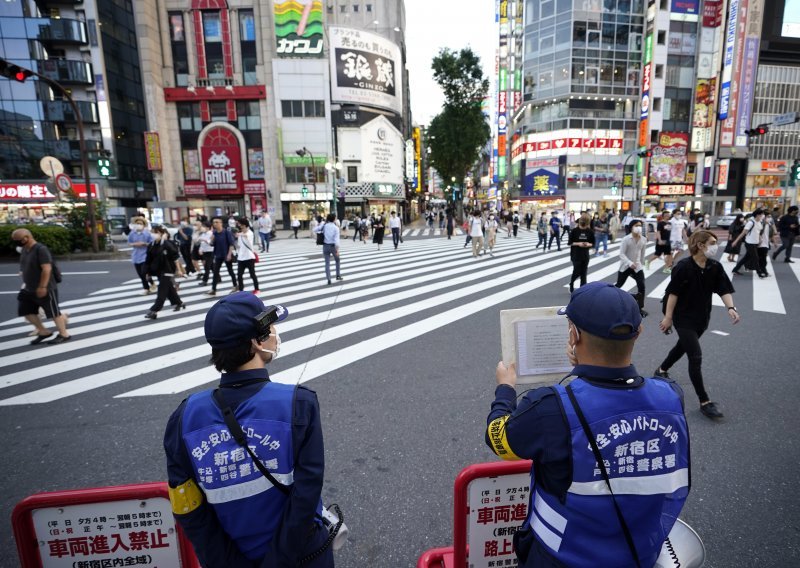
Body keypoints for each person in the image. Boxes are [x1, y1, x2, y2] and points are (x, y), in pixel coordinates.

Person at [486, 282, 690, 567]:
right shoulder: (671, 396)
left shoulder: (551, 407)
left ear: (573, 334)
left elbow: (500, 441)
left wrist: (505, 390)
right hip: (639, 553)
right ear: (639, 332)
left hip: (561, 557)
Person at [164, 293, 334, 568]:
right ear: (257, 342)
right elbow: (307, 492)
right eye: (270, 330)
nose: (276, 334)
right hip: (302, 557)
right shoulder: (297, 404)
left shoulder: (183, 417)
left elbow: (187, 504)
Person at [656, 230, 740, 420]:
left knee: (682, 346)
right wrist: (668, 317)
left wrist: (731, 308)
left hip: (702, 318)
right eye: (712, 242)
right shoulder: (683, 267)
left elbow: (723, 288)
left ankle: (661, 369)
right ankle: (705, 402)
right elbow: (673, 293)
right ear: (700, 245)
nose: (715, 246)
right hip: (682, 317)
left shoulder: (715, 267)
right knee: (695, 356)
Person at [12, 228, 72, 345]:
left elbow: (47, 268)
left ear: (26, 238)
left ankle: (64, 334)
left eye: (17, 240)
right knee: (25, 310)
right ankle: (43, 331)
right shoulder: (25, 249)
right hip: (28, 287)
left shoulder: (40, 249)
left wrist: (43, 287)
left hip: (45, 287)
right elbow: (24, 264)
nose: (16, 242)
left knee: (54, 312)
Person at [144, 225, 185, 319]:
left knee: (162, 290)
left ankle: (154, 310)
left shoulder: (167, 244)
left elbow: (175, 258)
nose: (153, 234)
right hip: (157, 270)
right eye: (152, 232)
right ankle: (179, 303)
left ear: (161, 233)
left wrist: (179, 270)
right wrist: (147, 272)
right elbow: (148, 260)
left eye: (155, 232)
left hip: (168, 270)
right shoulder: (152, 245)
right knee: (169, 288)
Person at [615, 219, 649, 317]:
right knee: (618, 285)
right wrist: (629, 263)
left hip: (637, 266)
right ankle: (611, 300)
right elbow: (621, 254)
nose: (639, 227)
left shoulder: (643, 239)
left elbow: (642, 253)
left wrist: (641, 264)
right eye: (636, 225)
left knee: (641, 285)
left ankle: (640, 308)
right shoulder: (626, 239)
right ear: (631, 227)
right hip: (625, 266)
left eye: (640, 225)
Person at [206, 217, 237, 297]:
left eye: (217, 222)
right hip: (218, 255)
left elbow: (231, 244)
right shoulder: (215, 233)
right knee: (215, 272)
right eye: (214, 222)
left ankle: (235, 285)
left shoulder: (226, 232)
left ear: (221, 223)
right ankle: (213, 289)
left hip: (226, 255)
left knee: (230, 271)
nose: (215, 224)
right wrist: (211, 239)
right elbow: (212, 244)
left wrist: (229, 254)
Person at [127, 217, 157, 295]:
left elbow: (152, 244)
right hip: (136, 256)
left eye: (140, 224)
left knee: (144, 272)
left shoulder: (147, 233)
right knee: (140, 274)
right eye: (137, 224)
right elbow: (129, 242)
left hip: (145, 255)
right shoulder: (132, 233)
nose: (138, 225)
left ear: (144, 225)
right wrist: (134, 244)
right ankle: (151, 284)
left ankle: (146, 288)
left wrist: (144, 244)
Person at [731, 209, 765, 277]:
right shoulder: (751, 223)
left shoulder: (759, 222)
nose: (762, 216)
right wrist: (735, 241)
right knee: (755, 258)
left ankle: (735, 269)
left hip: (755, 243)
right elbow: (743, 233)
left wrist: (760, 238)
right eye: (761, 215)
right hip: (749, 243)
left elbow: (758, 232)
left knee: (746, 258)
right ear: (758, 215)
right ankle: (759, 273)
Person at [567, 213, 594, 293]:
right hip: (575, 254)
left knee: (584, 273)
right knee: (577, 270)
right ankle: (571, 283)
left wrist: (587, 244)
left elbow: (593, 243)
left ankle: (583, 290)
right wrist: (578, 243)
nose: (584, 226)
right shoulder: (574, 231)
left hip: (585, 255)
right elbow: (570, 242)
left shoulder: (590, 231)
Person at [235, 217, 260, 293]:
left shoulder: (250, 233)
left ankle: (257, 289)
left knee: (252, 274)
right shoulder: (241, 234)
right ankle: (241, 290)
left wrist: (239, 235)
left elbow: (247, 236)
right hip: (241, 257)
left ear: (244, 225)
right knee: (239, 275)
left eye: (240, 225)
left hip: (249, 257)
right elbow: (239, 245)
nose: (239, 226)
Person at [317, 213, 343, 285]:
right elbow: (337, 241)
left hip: (325, 246)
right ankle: (338, 275)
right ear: (334, 219)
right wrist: (337, 249)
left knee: (327, 263)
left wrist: (321, 225)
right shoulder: (336, 228)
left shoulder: (324, 226)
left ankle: (329, 279)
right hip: (333, 246)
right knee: (337, 260)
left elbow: (316, 230)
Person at [198, 221, 215, 286]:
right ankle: (218, 277)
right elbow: (201, 243)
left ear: (208, 227)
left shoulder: (211, 233)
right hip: (205, 252)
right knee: (212, 266)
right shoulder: (203, 234)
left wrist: (204, 240)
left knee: (207, 266)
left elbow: (211, 243)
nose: (202, 228)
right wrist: (200, 250)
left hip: (210, 251)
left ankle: (205, 281)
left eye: (203, 226)